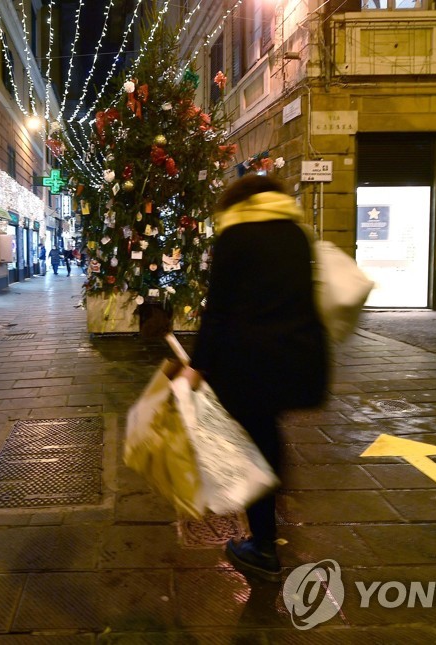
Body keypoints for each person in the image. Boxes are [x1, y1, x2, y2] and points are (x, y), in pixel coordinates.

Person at [179, 174, 329, 583]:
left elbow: (220, 309)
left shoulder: (236, 236)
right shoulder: (296, 234)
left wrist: (198, 365)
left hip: (249, 361)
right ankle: (271, 500)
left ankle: (263, 545)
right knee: (266, 431)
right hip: (296, 356)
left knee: (254, 445)